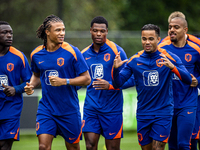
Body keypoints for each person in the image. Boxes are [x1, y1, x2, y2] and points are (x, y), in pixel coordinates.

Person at [112, 24, 192, 150]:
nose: (147, 42)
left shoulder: (168, 57)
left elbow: (188, 79)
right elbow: (118, 83)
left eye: (151, 39)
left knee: (158, 148)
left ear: (158, 39)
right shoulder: (134, 60)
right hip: (143, 113)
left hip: (163, 112)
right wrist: (115, 70)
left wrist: (173, 68)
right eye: (144, 39)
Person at [24, 15, 91, 150]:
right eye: (58, 30)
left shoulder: (72, 51)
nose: (62, 33)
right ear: (47, 32)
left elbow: (87, 79)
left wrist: (64, 81)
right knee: (43, 146)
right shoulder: (36, 54)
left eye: (63, 30)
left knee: (73, 147)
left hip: (69, 110)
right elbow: (36, 76)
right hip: (47, 108)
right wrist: (31, 85)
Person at [81, 16, 133, 150]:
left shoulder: (117, 51)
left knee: (113, 148)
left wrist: (110, 85)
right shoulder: (83, 54)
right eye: (95, 30)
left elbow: (131, 79)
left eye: (102, 31)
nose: (99, 34)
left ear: (107, 32)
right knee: (90, 145)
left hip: (112, 110)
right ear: (90, 31)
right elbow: (80, 80)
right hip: (91, 109)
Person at [158, 17, 200, 150]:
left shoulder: (196, 49)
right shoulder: (161, 49)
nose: (172, 30)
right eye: (170, 27)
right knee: (172, 145)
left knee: (184, 144)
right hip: (168, 105)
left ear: (185, 30)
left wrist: (197, 80)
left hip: (188, 103)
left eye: (176, 27)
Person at [0, 21, 32, 150]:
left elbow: (30, 82)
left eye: (11, 33)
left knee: (4, 145)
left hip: (11, 107)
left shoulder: (19, 56)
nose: (9, 36)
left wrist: (16, 89)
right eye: (4, 33)